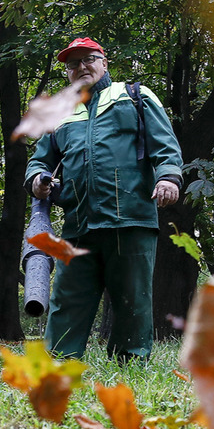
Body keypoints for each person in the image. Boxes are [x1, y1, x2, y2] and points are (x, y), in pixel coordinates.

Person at [25, 37, 183, 361]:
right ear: (67, 73)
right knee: (67, 299)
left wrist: (168, 176)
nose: (81, 67)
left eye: (88, 59)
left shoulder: (134, 96)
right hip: (78, 225)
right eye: (73, 63)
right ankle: (59, 365)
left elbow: (165, 146)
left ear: (104, 62)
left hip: (131, 218)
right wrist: (37, 181)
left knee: (132, 300)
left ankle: (129, 364)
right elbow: (39, 161)